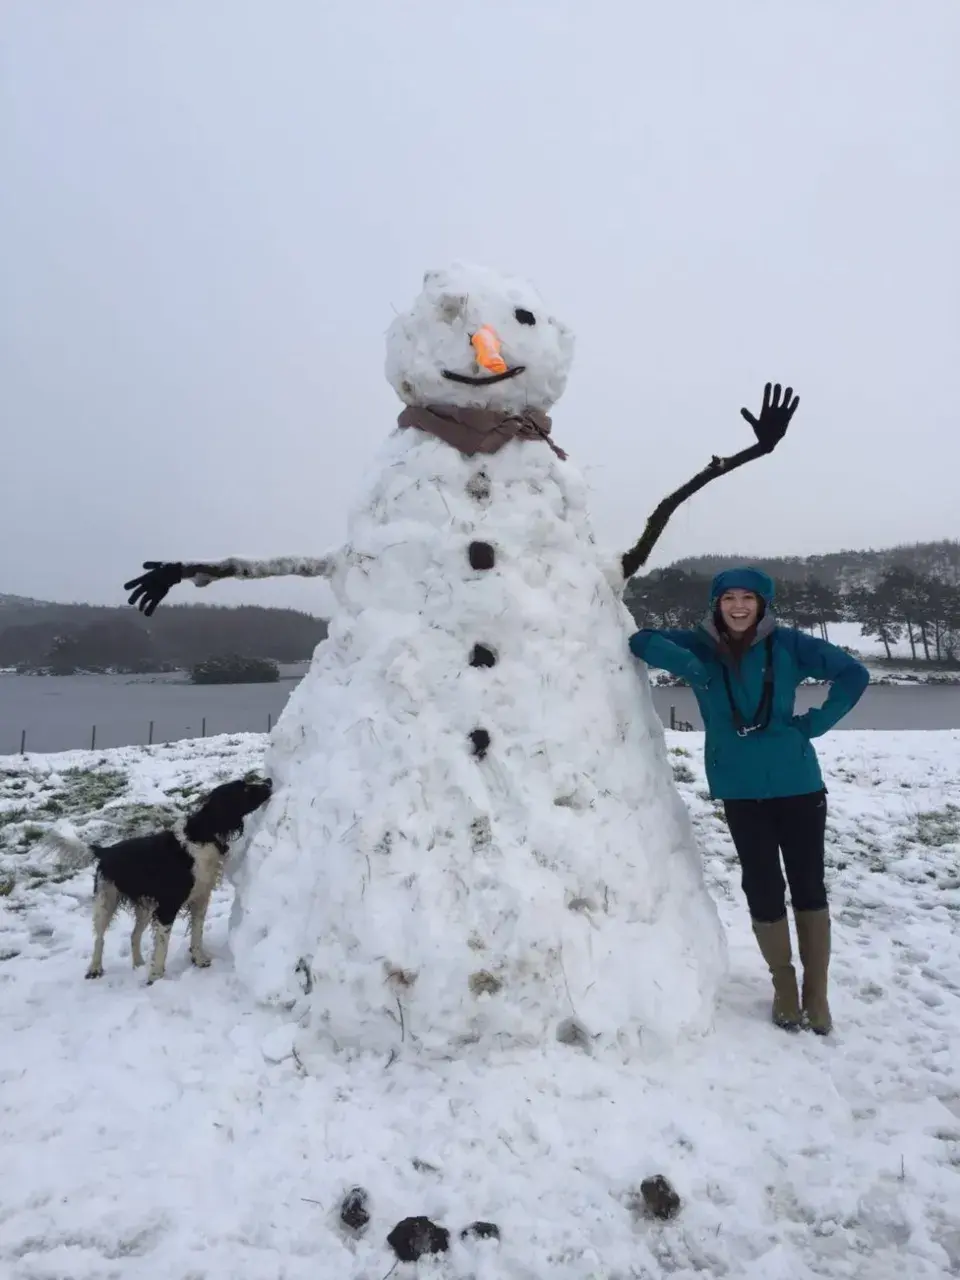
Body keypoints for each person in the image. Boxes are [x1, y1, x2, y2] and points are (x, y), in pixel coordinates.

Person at [629, 567, 869, 1035]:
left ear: (763, 605)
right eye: (729, 598)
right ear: (717, 604)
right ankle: (783, 984)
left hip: (797, 783)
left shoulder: (791, 645)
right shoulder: (700, 645)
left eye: (748, 599)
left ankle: (815, 991)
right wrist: (693, 668)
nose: (738, 607)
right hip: (739, 787)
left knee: (808, 883)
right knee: (760, 883)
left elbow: (853, 674)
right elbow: (643, 640)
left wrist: (815, 723)